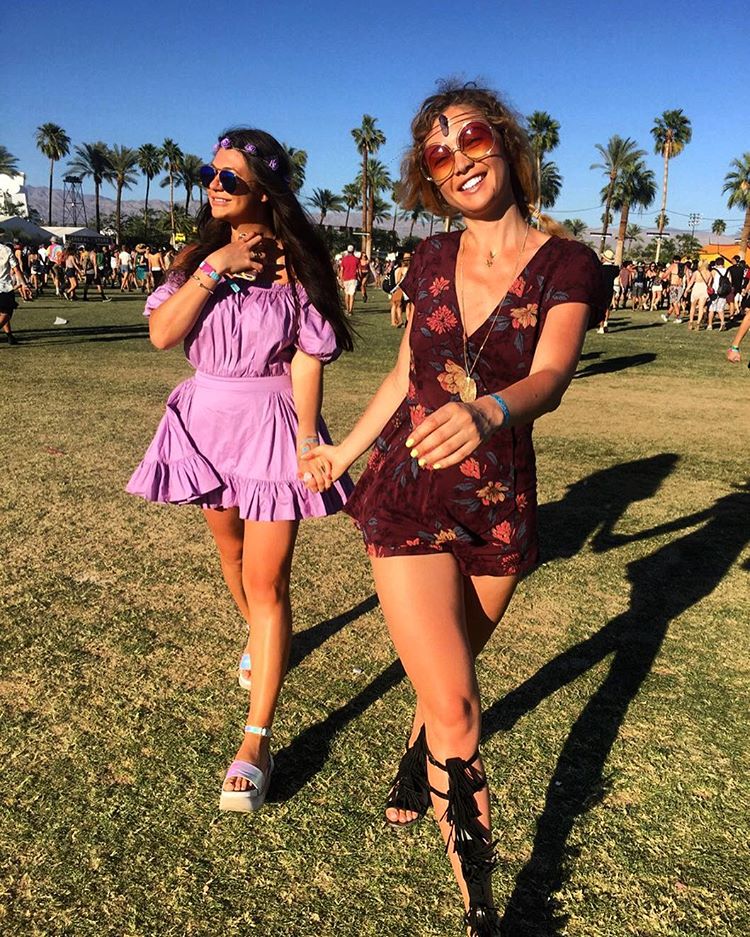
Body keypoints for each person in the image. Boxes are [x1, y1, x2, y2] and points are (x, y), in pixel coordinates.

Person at [302, 81, 605, 936]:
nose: (459, 160)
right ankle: (482, 904)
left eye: (471, 138)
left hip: (496, 496)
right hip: (406, 492)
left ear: (504, 142)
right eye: (439, 152)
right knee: (461, 707)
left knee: (451, 672)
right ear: (429, 178)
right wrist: (346, 452)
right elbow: (407, 369)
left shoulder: (568, 264)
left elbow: (552, 374)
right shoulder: (431, 257)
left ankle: (415, 754)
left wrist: (489, 411)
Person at [126, 127, 354, 813]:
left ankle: (257, 740)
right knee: (230, 553)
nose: (213, 187)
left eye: (229, 179)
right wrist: (216, 264)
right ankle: (261, 638)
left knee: (267, 577)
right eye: (210, 174)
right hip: (205, 423)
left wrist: (308, 437)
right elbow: (163, 334)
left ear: (265, 191)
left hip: (270, 426)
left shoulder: (295, 267)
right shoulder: (199, 257)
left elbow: (307, 358)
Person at [0, 240, 32, 344]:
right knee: (7, 312)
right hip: (4, 286)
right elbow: (17, 269)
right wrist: (24, 284)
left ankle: (10, 336)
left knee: (2, 312)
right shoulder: (6, 250)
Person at [388, 252, 413, 328]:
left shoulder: (400, 269)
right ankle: (407, 321)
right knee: (407, 306)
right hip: (408, 289)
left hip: (401, 289)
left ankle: (401, 320)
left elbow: (397, 281)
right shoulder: (410, 269)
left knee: (399, 305)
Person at [597, 247, 618, 333]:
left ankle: (601, 326)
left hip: (601, 289)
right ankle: (605, 323)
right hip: (610, 288)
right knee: (607, 307)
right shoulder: (615, 269)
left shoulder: (600, 268)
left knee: (601, 308)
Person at [687, 260, 711, 330]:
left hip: (696, 288)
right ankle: (698, 323)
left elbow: (691, 282)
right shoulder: (709, 273)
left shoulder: (696, 272)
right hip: (704, 289)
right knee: (701, 307)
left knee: (693, 306)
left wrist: (686, 289)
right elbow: (709, 284)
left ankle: (691, 322)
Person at [339, 244, 359, 315]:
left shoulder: (344, 259)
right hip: (353, 278)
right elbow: (358, 270)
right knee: (352, 294)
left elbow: (341, 270)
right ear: (353, 251)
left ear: (347, 251)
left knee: (346, 294)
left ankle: (347, 309)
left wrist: (341, 279)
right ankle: (350, 310)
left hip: (345, 278)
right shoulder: (356, 259)